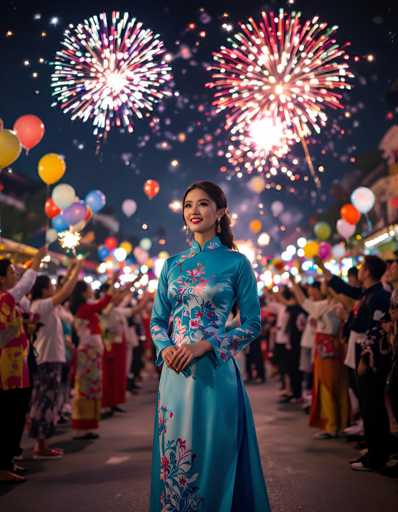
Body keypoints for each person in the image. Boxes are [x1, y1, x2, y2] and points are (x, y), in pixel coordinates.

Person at [150, 181, 270, 512]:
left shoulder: (237, 263)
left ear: (220, 212)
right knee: (176, 463)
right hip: (175, 376)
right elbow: (157, 321)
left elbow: (252, 324)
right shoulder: (171, 265)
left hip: (216, 374)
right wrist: (165, 348)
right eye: (188, 205)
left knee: (215, 457)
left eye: (203, 204)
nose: (194, 211)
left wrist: (208, 344)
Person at [319, 255, 392, 471]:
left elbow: (374, 331)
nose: (359, 271)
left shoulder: (378, 296)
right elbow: (344, 289)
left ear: (367, 271)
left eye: (361, 267)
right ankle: (374, 450)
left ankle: (377, 457)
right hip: (359, 354)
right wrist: (325, 270)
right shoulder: (368, 293)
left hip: (369, 358)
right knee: (368, 406)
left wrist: (364, 358)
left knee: (373, 407)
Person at [0, 248, 46, 483]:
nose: (14, 276)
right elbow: (26, 284)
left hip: (17, 368)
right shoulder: (4, 298)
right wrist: (37, 260)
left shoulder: (11, 302)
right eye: (10, 272)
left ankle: (9, 460)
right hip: (7, 371)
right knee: (9, 415)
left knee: (16, 414)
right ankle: (4, 464)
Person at [29, 261, 81, 459]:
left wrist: (70, 271)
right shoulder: (42, 305)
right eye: (50, 287)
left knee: (47, 401)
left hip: (50, 359)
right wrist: (77, 270)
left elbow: (61, 289)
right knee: (45, 402)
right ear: (43, 291)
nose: (53, 290)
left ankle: (42, 444)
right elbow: (65, 291)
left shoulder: (43, 305)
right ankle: (40, 446)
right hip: (48, 360)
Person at [290, 277, 349, 439]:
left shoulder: (335, 305)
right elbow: (304, 302)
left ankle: (333, 425)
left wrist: (295, 285)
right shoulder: (327, 304)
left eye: (324, 284)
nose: (321, 286)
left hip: (329, 349)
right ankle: (339, 423)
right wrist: (294, 284)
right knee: (332, 385)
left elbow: (305, 303)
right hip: (328, 348)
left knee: (328, 385)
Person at [69, 280, 113, 440]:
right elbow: (104, 303)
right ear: (83, 292)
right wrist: (112, 282)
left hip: (91, 353)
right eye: (89, 289)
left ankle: (87, 427)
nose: (91, 291)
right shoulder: (85, 308)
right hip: (88, 353)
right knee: (85, 389)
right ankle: (80, 426)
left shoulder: (86, 307)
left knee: (91, 388)